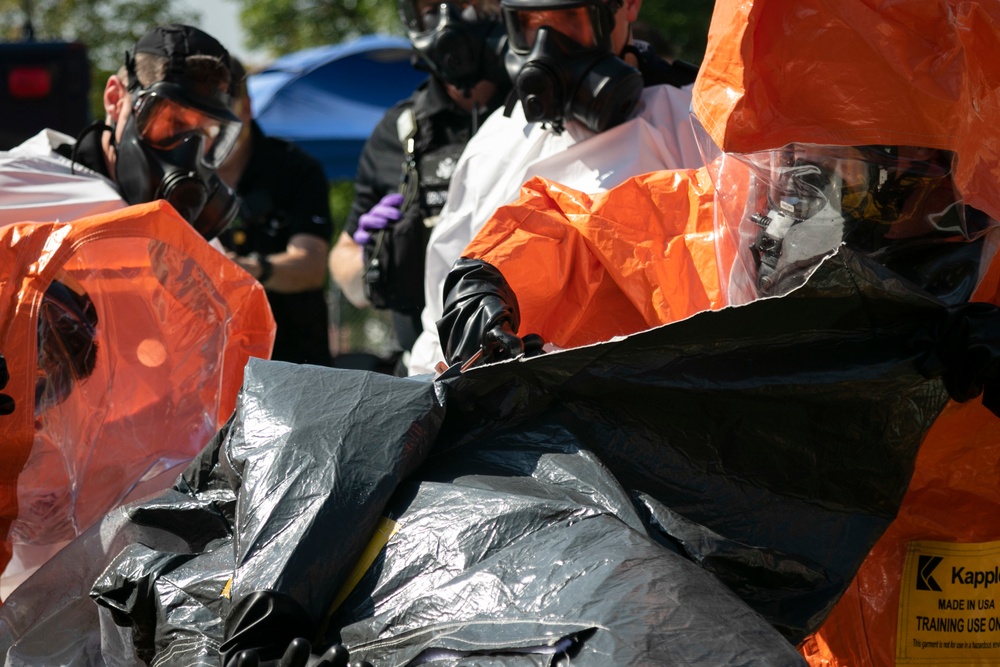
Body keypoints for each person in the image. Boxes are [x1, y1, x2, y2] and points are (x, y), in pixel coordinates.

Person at [406, 0, 704, 376]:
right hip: (528, 420)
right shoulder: (494, 145)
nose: (547, 44)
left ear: (627, 6)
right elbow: (441, 316)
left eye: (569, 19)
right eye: (530, 24)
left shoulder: (699, 121)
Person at [328, 0, 511, 371]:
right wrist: (371, 264)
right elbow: (342, 258)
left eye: (468, 5)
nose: (448, 20)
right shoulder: (399, 131)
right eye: (429, 9)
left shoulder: (539, 112)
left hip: (531, 359)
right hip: (427, 369)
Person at [0, 23, 241, 239]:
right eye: (175, 122)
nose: (188, 148)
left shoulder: (188, 233)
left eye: (207, 132)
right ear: (116, 99)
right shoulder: (16, 186)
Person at [217, 58, 335, 366]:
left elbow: (311, 267)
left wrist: (246, 269)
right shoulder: (174, 172)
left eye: (219, 112)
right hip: (205, 367)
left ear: (245, 107)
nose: (208, 127)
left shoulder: (295, 169)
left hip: (291, 366)